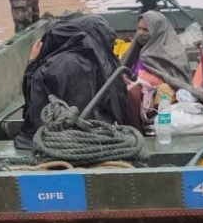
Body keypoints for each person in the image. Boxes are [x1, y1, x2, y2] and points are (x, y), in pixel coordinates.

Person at [17, 16, 130, 148]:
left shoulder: (51, 66)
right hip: (102, 135)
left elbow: (34, 109)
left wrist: (32, 64)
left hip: (61, 141)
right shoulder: (108, 63)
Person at [121, 11, 203, 124]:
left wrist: (143, 81)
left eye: (145, 30)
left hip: (160, 100)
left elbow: (176, 82)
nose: (140, 33)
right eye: (139, 28)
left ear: (157, 32)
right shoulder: (139, 48)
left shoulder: (174, 53)